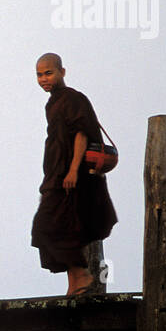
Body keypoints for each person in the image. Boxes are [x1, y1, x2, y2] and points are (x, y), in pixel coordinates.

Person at [30, 53, 117, 296]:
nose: (44, 79)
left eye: (49, 73)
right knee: (65, 228)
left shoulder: (72, 98)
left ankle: (83, 274)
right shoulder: (53, 102)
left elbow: (81, 134)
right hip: (56, 174)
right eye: (39, 74)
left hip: (71, 175)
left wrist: (72, 170)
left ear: (62, 72)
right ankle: (74, 283)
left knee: (47, 226)